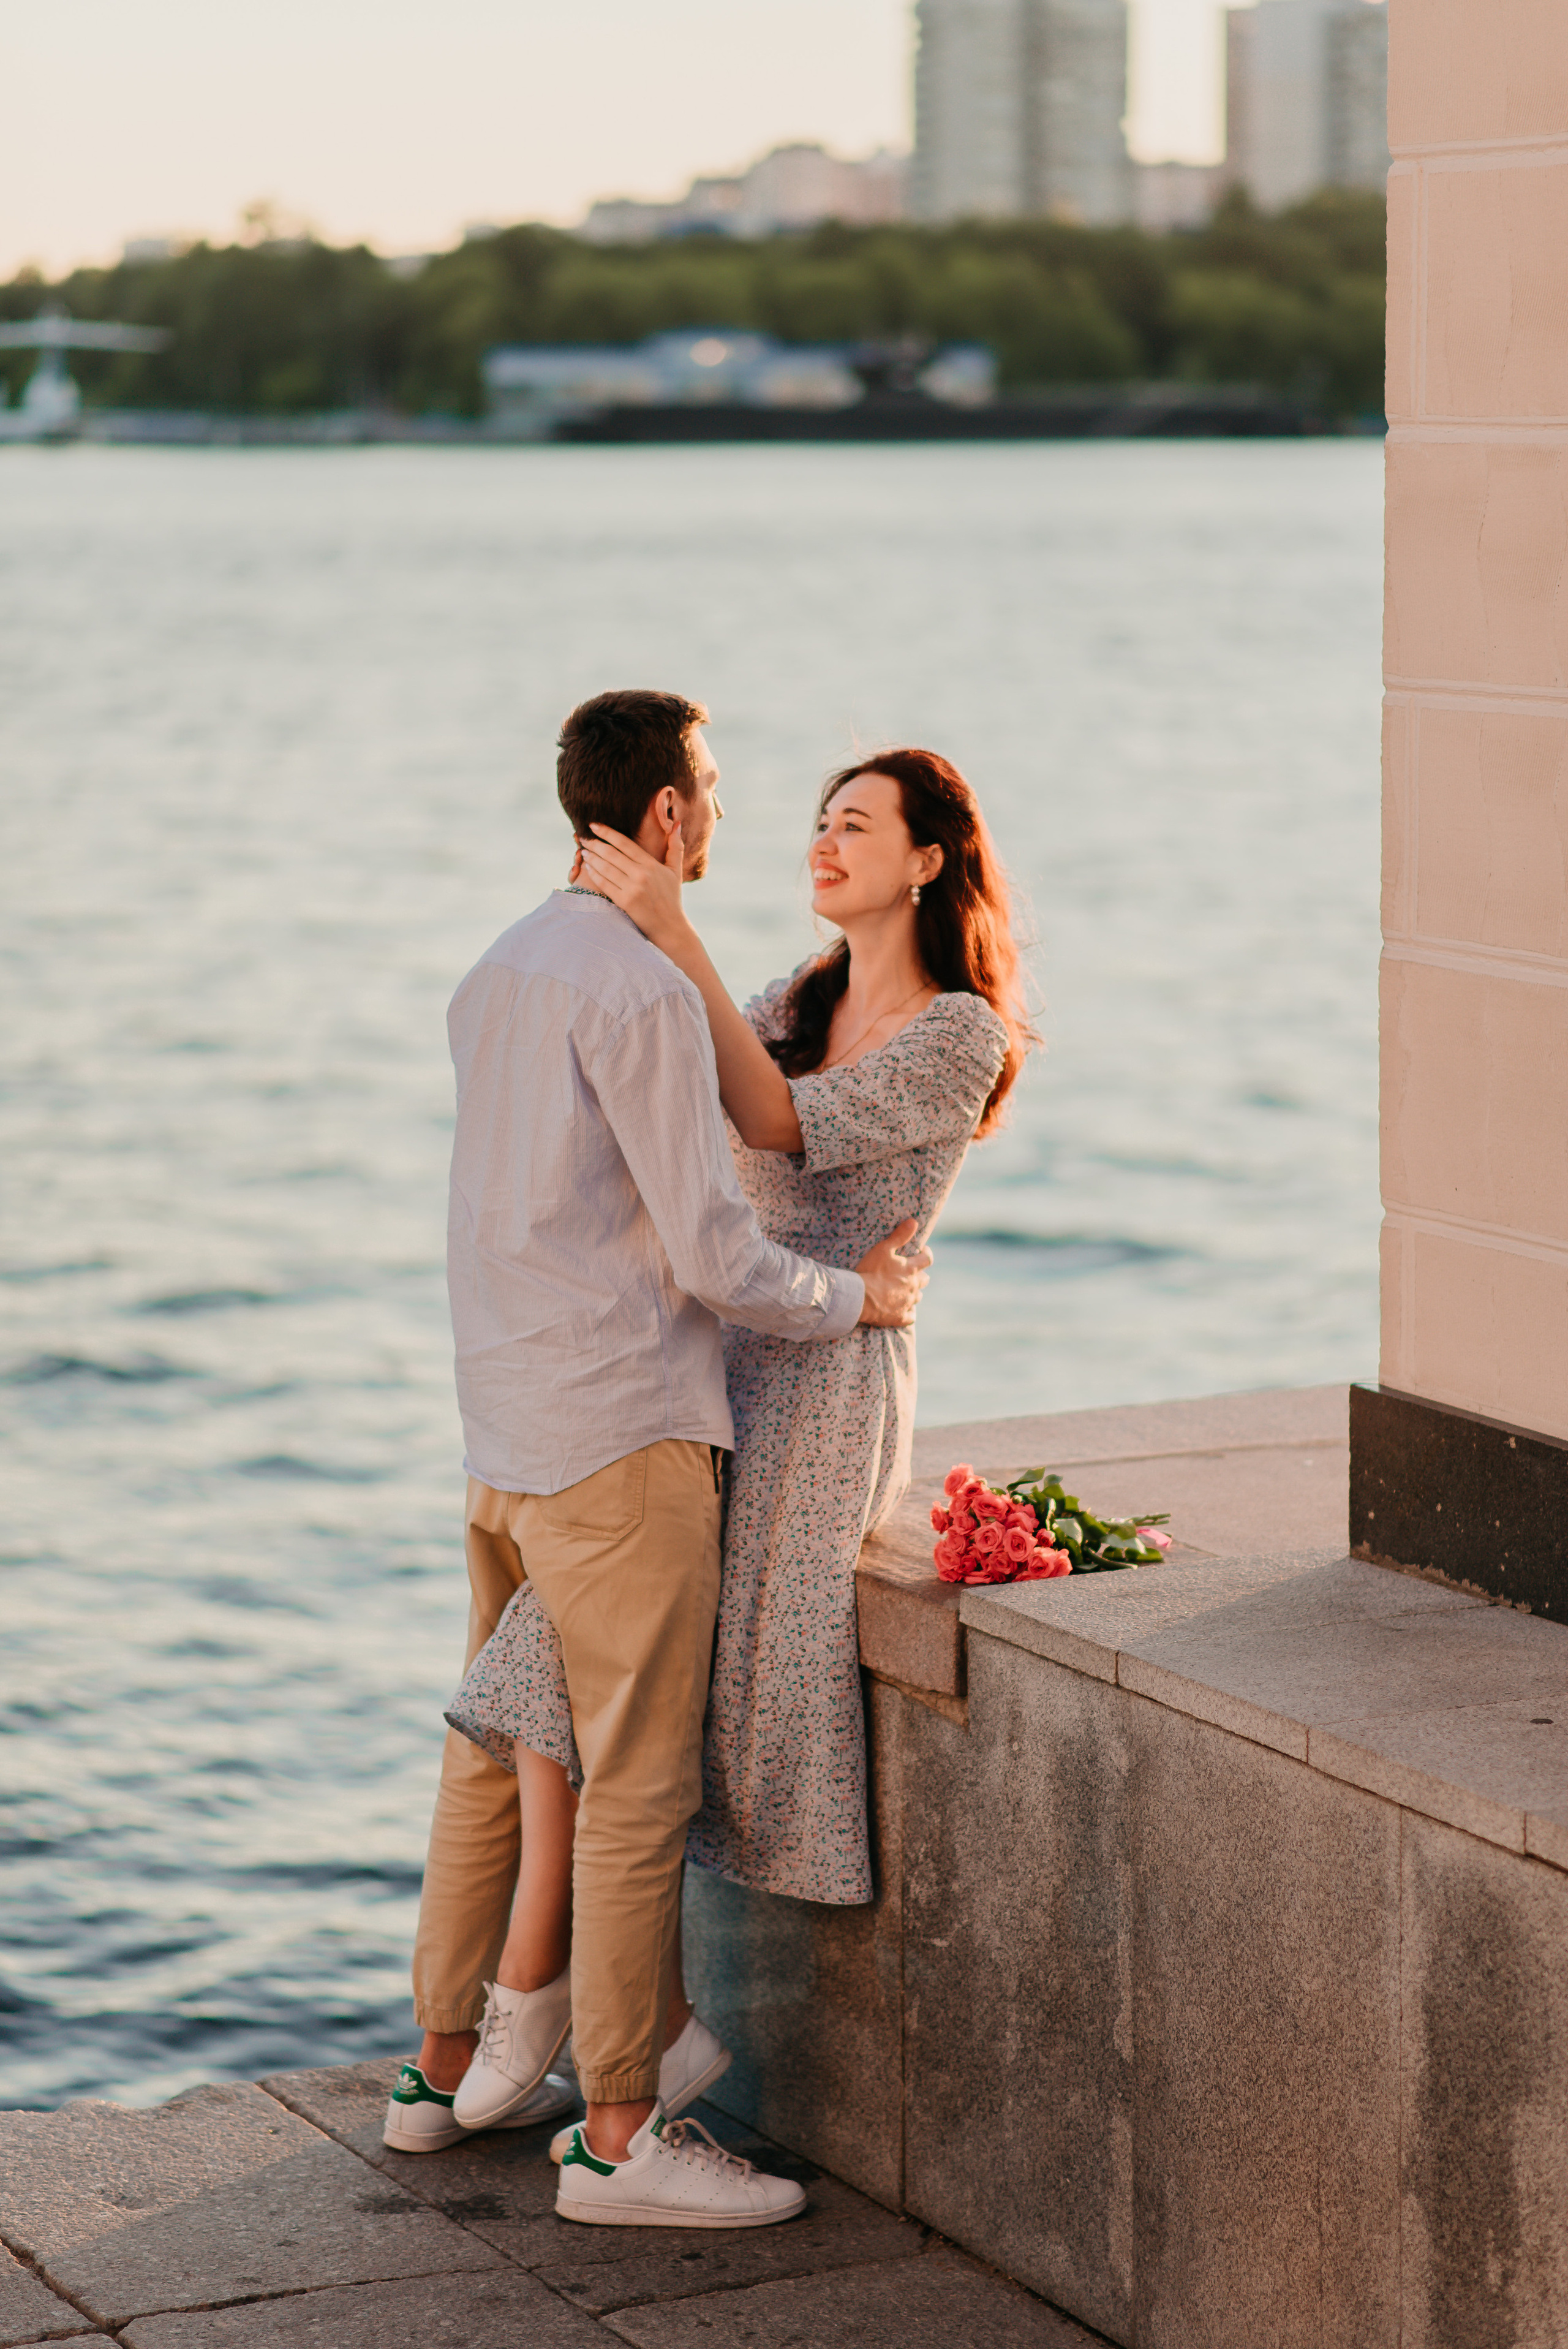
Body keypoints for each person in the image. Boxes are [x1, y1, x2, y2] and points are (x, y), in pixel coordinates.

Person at [385, 689, 932, 2233]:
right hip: (623, 1434)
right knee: (633, 1789)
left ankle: (435, 2075)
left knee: (491, 1747)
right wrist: (858, 1300)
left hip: (503, 1430)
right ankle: (617, 2138)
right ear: (669, 814)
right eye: (716, 790)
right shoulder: (636, 990)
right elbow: (714, 1253)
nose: (730, 817)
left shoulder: (499, 966)